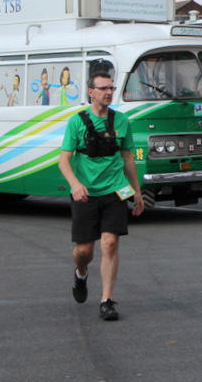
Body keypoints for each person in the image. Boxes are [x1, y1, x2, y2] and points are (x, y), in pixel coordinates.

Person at [58, 71, 144, 321]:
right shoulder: (76, 122)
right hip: (85, 193)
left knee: (110, 243)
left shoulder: (121, 121)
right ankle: (81, 273)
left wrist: (137, 191)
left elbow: (128, 158)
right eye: (103, 88)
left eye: (111, 87)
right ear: (91, 92)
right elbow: (64, 160)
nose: (108, 92)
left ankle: (106, 300)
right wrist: (75, 184)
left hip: (115, 190)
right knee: (84, 251)